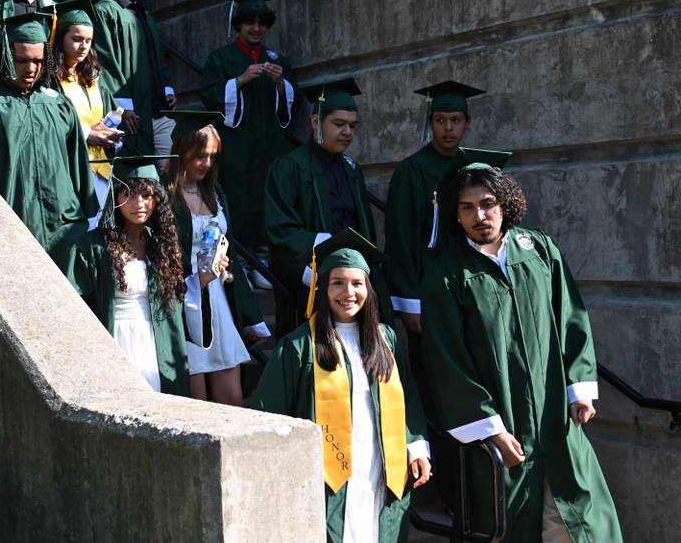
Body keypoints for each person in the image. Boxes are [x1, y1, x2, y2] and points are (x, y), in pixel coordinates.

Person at [421, 148, 622, 542]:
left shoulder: (540, 250)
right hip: (504, 425)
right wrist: (490, 428)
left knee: (579, 520)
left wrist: (579, 388)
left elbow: (572, 318)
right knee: (513, 523)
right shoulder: (447, 272)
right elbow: (446, 360)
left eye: (488, 203)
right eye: (467, 207)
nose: (480, 216)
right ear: (455, 214)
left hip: (557, 418)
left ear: (505, 202)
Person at [253, 230, 431, 543]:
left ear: (369, 289)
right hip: (325, 474)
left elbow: (409, 398)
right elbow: (268, 416)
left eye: (357, 283)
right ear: (322, 288)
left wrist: (416, 446)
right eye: (337, 282)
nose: (348, 293)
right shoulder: (298, 348)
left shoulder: (386, 339)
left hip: (381, 464)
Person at [59, 158, 219, 396]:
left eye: (146, 195)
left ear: (157, 198)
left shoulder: (163, 246)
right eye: (128, 194)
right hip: (116, 337)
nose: (139, 203)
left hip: (158, 340)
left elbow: (178, 303)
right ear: (115, 197)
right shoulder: (95, 246)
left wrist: (203, 280)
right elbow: (77, 306)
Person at [0, 13, 96, 258]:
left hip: (63, 228)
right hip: (11, 227)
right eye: (21, 60)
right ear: (5, 55)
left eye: (38, 61)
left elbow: (77, 170)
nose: (31, 69)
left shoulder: (59, 105)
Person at [264, 78, 390, 337]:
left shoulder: (351, 168)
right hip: (313, 278)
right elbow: (280, 229)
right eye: (339, 124)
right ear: (315, 122)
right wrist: (326, 245)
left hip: (354, 278)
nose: (347, 132)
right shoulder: (289, 167)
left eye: (352, 126)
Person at [164, 110, 271, 405]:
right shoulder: (164, 194)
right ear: (181, 151)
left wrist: (249, 314)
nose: (206, 164)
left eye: (212, 156)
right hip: (185, 302)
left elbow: (232, 251)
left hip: (219, 299)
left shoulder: (215, 193)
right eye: (200, 155)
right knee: (195, 400)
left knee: (232, 398)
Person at [200, 0, 297, 287]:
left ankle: (263, 259)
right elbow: (209, 95)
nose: (256, 29)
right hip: (237, 143)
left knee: (267, 195)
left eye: (261, 23)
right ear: (238, 24)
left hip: (269, 142)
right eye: (249, 22)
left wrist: (281, 83)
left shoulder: (277, 58)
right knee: (239, 195)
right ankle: (240, 260)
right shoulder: (222, 57)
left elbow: (294, 102)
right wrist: (240, 81)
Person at [384, 80, 482, 335]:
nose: (448, 128)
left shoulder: (474, 169)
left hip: (469, 285)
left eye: (456, 120)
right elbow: (400, 239)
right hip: (428, 290)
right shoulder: (411, 171)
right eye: (440, 120)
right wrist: (409, 300)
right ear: (430, 123)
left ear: (467, 122)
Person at [93, 0, 177, 160]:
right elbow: (106, 61)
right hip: (132, 114)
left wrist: (167, 88)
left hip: (157, 111)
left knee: (171, 170)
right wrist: (123, 107)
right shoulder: (107, 11)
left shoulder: (145, 16)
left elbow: (157, 58)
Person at [49, 0, 123, 227]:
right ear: (61, 38)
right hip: (69, 165)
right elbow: (50, 122)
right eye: (77, 39)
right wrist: (86, 133)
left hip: (100, 168)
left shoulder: (93, 79)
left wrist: (112, 136)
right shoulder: (49, 80)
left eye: (89, 41)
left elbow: (106, 116)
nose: (83, 46)